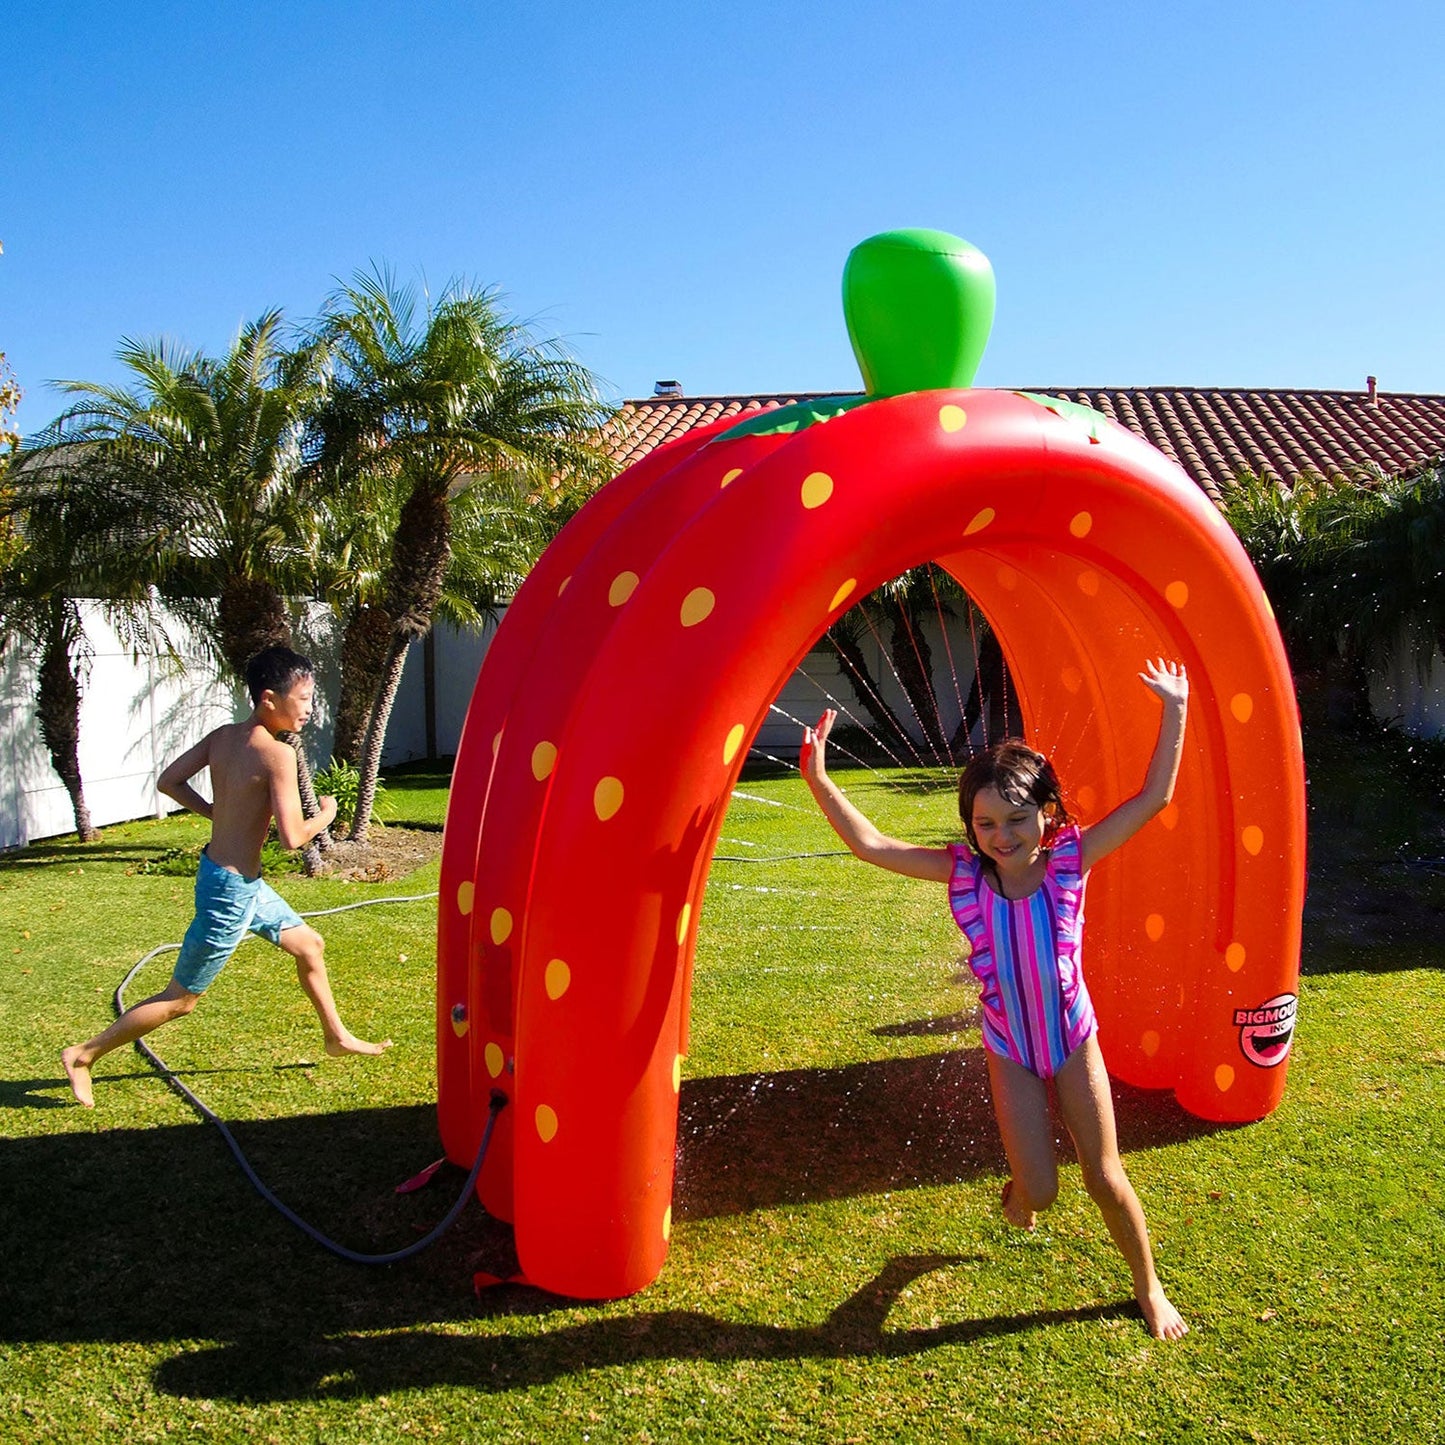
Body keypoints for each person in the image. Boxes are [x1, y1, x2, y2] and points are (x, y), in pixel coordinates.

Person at [800, 658, 1190, 1341]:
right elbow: (871, 844)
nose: (1001, 836)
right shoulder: (961, 874)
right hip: (1009, 1046)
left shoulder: (1071, 858)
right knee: (1036, 1190)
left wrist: (1175, 708)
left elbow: (1152, 798)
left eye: (1015, 819)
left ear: (1046, 812)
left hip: (1071, 1037)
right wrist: (819, 778)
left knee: (1102, 1175)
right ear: (969, 825)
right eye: (984, 823)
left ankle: (1148, 1284)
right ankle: (1020, 1196)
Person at [62, 646, 390, 1108]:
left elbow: (169, 782)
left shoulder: (222, 738)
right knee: (180, 1000)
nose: (310, 709)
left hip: (233, 879)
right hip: (230, 893)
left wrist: (216, 814)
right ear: (270, 698)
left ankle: (335, 1036)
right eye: (304, 699)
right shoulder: (276, 755)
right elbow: (293, 838)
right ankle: (83, 1055)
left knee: (309, 944)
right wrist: (329, 814)